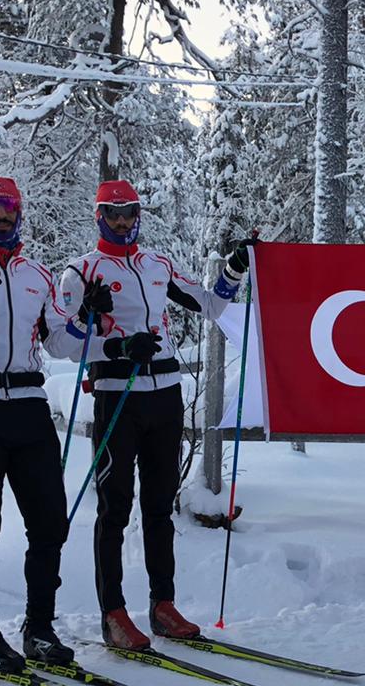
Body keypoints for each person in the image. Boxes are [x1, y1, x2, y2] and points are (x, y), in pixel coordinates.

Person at [0, 176, 154, 671]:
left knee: (49, 521)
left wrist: (93, 324)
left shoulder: (36, 275)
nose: (2, 216)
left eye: (10, 207)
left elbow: (61, 345)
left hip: (29, 401)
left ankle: (38, 628)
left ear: (20, 212)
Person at [57, 180, 248, 651]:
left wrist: (236, 268)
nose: (121, 222)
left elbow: (213, 304)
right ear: (98, 216)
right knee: (115, 507)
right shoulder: (81, 271)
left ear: (139, 214)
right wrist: (113, 341)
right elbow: (62, 343)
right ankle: (113, 612)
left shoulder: (156, 264)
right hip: (117, 394)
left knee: (159, 507)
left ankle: (163, 605)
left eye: (128, 213)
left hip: (164, 395)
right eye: (112, 214)